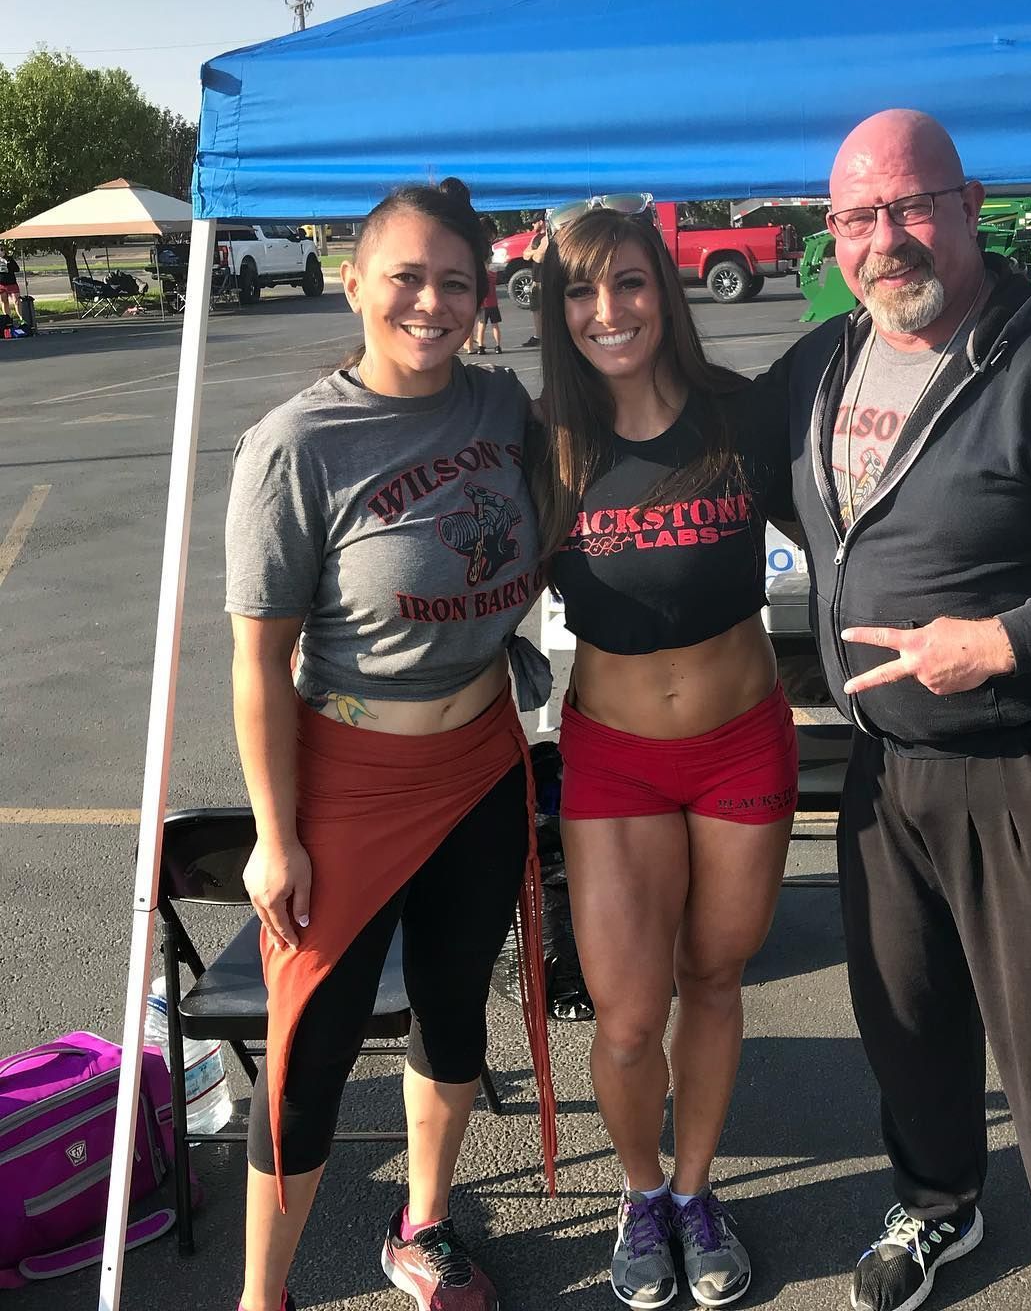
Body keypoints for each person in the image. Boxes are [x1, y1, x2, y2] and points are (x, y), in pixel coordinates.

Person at [761, 110, 1031, 1311]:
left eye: (911, 207)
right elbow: (713, 459)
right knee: (905, 1021)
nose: (886, 240)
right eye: (858, 217)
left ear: (969, 208)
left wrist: (1001, 642)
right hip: (884, 765)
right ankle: (940, 1206)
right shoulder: (820, 363)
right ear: (832, 234)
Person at [224, 179, 556, 1311]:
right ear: (354, 279)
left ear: (482, 296)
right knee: (310, 1055)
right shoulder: (296, 445)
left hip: (480, 760)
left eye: (454, 281)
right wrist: (275, 836)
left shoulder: (503, 408)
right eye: (405, 276)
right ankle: (261, 1298)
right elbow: (259, 663)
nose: (430, 301)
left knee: (455, 1005)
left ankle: (423, 1227)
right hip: (351, 783)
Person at [531, 206, 797, 1309]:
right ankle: (640, 1195)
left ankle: (695, 1192)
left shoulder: (742, 414)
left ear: (665, 289)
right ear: (558, 312)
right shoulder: (543, 443)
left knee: (717, 978)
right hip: (617, 760)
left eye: (630, 284)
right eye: (583, 294)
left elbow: (859, 515)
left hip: (743, 741)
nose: (609, 312)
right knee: (630, 1017)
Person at [519, 218, 546, 347]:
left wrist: (533, 253)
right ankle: (538, 336)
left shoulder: (548, 237)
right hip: (536, 281)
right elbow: (525, 254)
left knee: (548, 310)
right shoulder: (535, 238)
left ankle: (550, 336)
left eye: (535, 222)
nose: (533, 224)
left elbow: (539, 258)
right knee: (536, 309)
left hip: (546, 280)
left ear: (541, 221)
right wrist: (535, 252)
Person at [0, 251, 21, 324]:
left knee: (17, 301)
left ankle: (21, 318)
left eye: (2, 250)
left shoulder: (9, 259)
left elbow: (17, 269)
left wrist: (8, 263)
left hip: (11, 283)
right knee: (4, 301)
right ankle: (7, 319)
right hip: (1, 284)